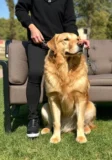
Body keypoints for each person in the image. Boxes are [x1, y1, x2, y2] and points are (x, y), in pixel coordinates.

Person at [15, 0, 90, 138]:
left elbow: (69, 22)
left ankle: (69, 119)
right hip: (38, 43)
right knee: (35, 73)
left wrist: (76, 40)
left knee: (68, 78)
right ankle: (33, 118)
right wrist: (32, 27)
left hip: (61, 44)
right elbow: (20, 9)